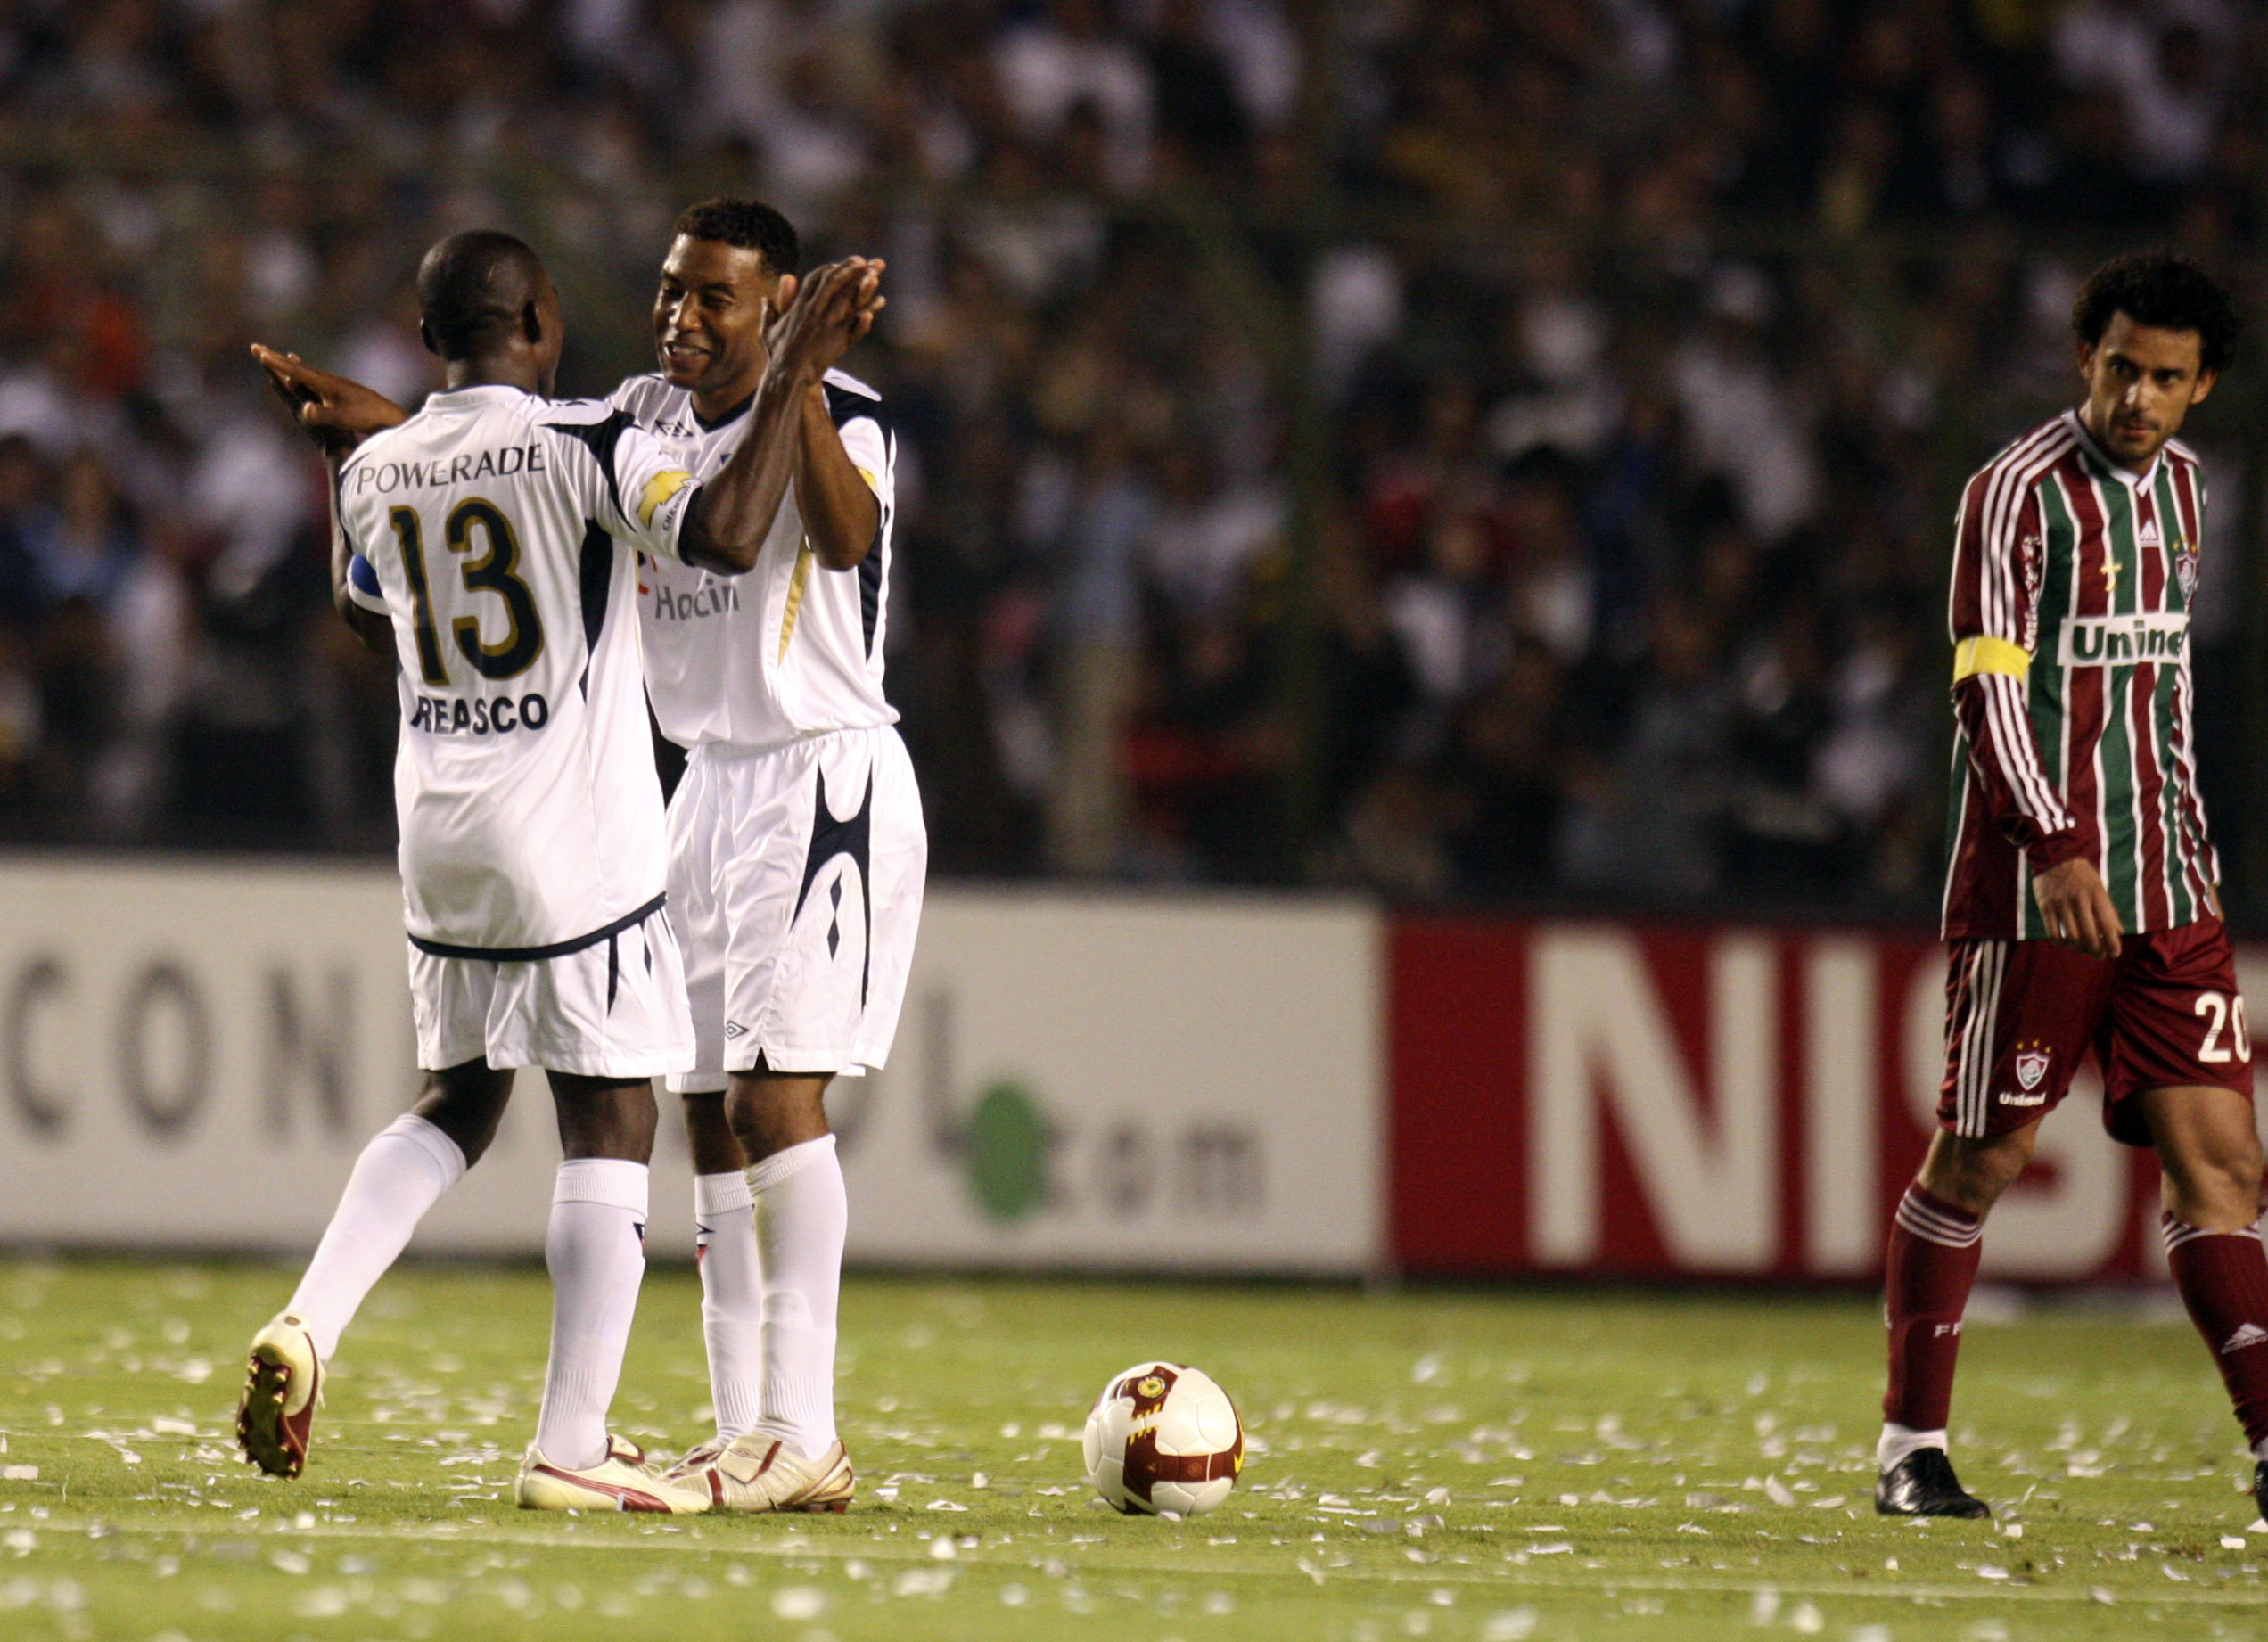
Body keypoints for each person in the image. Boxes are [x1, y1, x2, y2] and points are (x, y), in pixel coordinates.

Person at [257, 200, 913, 1515]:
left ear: (779, 304)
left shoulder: (846, 409)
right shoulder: (637, 418)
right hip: (700, 783)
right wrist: (400, 427)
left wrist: (796, 376)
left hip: (816, 768)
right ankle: (745, 1427)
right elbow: (509, 453)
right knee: (703, 1113)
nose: (679, 315)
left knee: (773, 1105)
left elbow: (842, 538)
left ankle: (805, 1426)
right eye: (671, 289)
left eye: (715, 295)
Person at [1878, 251, 2266, 1522]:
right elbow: (1986, 683)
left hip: (2170, 884)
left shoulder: (2191, 492)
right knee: (1983, 1157)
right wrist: (2054, 845)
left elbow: (2163, 688)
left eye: (2166, 378)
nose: (2137, 398)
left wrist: (2187, 849)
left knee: (2226, 1167)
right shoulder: (2014, 493)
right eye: (2120, 368)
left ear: (2202, 386)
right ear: (2083, 360)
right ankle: (1910, 1447)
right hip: (2038, 886)